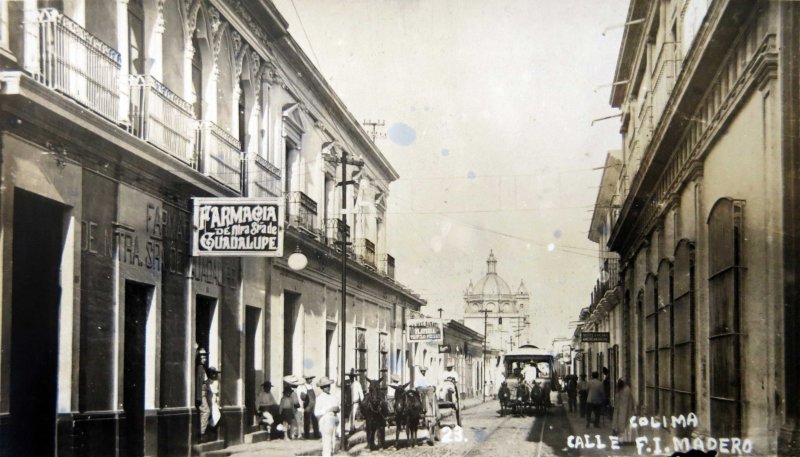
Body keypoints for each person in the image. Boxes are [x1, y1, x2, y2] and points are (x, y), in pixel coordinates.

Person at [315, 376, 340, 457]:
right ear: (322, 387)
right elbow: (317, 412)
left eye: (329, 386)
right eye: (326, 386)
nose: (328, 388)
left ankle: (331, 454)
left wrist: (337, 409)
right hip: (325, 421)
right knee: (327, 442)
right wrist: (329, 410)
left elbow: (337, 407)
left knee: (333, 442)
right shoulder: (319, 398)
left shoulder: (332, 397)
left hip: (334, 420)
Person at [611, 378, 637, 443]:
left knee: (623, 424)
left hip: (623, 410)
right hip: (624, 410)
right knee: (625, 424)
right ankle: (625, 439)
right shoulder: (626, 390)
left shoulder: (625, 390)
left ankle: (623, 439)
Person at [195, 348, 210, 442]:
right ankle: (202, 433)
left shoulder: (202, 368)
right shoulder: (200, 368)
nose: (204, 358)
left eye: (205, 356)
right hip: (201, 394)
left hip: (204, 393)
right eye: (202, 356)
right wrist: (199, 396)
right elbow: (199, 384)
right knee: (206, 411)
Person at [279, 375, 301, 440]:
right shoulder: (288, 396)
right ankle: (288, 435)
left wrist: (293, 411)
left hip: (290, 411)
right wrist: (280, 413)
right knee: (288, 423)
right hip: (287, 411)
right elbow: (281, 406)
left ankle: (290, 435)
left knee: (290, 423)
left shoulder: (290, 396)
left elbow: (292, 405)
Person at [299, 374, 320, 439]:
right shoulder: (303, 387)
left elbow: (315, 396)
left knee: (315, 420)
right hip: (308, 405)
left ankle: (316, 434)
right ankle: (307, 435)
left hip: (314, 405)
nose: (311, 380)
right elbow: (302, 397)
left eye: (311, 378)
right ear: (307, 379)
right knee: (307, 420)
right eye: (310, 378)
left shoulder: (312, 386)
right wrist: (304, 398)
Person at [206, 366, 222, 440]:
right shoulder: (208, 381)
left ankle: (210, 427)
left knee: (216, 414)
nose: (214, 375)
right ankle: (208, 428)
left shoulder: (215, 382)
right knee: (212, 413)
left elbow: (216, 392)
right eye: (212, 373)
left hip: (213, 399)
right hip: (209, 399)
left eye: (214, 374)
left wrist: (218, 402)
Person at [347, 369, 364, 434]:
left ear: (355, 377)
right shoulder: (350, 384)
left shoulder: (357, 384)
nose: (351, 377)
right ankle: (352, 427)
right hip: (350, 403)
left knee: (353, 415)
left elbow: (361, 393)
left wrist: (362, 402)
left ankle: (352, 429)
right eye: (350, 376)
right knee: (351, 415)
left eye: (352, 376)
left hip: (355, 402)